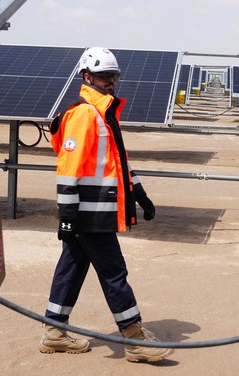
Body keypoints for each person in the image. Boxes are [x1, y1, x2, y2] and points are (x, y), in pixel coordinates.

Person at [39, 47, 173, 363]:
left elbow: (116, 162)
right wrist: (67, 216)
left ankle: (54, 332)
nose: (110, 81)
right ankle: (134, 338)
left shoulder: (103, 114)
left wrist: (139, 192)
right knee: (114, 271)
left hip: (96, 211)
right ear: (87, 77)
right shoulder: (85, 114)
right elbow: (68, 168)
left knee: (72, 268)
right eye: (103, 76)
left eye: (113, 75)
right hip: (89, 214)